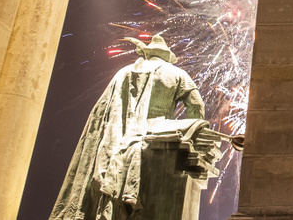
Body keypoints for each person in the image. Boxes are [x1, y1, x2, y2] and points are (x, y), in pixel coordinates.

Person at [50, 34, 205, 220]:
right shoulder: (177, 74)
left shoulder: (122, 72)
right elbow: (197, 107)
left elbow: (100, 114)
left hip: (114, 140)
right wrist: (194, 141)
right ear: (166, 55)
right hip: (157, 133)